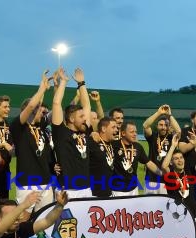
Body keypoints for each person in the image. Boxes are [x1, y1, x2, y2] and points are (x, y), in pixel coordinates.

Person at [10, 71, 56, 218]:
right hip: (27, 183)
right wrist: (42, 88)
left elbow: (55, 111)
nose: (42, 113)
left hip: (46, 183)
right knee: (24, 219)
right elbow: (31, 106)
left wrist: (57, 87)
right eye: (39, 110)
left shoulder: (41, 126)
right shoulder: (19, 128)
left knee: (45, 219)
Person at [52, 67, 94, 198]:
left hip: (86, 188)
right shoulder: (61, 133)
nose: (85, 119)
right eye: (81, 117)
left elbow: (87, 106)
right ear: (71, 119)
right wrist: (63, 81)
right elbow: (56, 103)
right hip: (67, 189)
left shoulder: (84, 130)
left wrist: (81, 83)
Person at [112, 121, 163, 196]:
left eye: (135, 132)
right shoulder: (113, 145)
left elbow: (148, 163)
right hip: (117, 189)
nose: (135, 134)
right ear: (123, 133)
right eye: (132, 132)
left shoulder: (137, 146)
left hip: (133, 189)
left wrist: (161, 173)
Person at [143, 105, 181, 194]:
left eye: (166, 125)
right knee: (149, 206)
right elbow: (145, 126)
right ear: (157, 126)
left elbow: (179, 131)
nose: (163, 127)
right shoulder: (153, 136)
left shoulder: (173, 138)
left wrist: (169, 116)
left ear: (169, 127)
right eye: (161, 125)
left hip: (167, 179)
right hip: (151, 178)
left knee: (165, 207)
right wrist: (158, 113)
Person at [88, 117, 118, 198]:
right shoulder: (92, 142)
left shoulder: (113, 144)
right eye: (113, 127)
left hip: (109, 192)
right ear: (104, 129)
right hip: (94, 194)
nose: (116, 130)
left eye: (116, 127)